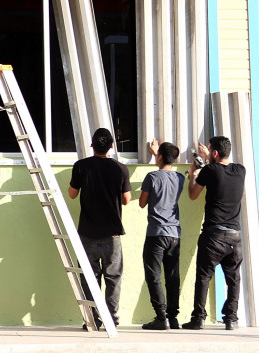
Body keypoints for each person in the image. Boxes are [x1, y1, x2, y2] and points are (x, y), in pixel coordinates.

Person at [68, 127, 132, 330]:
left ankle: (93, 319)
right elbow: (127, 199)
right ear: (111, 146)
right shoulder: (121, 169)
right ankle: (111, 319)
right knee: (113, 279)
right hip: (112, 235)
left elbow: (72, 194)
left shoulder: (81, 166)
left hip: (87, 233)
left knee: (90, 278)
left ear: (91, 145)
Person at [182, 136, 245, 331]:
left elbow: (193, 195)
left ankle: (198, 318)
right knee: (233, 279)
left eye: (210, 150)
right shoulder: (240, 170)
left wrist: (193, 175)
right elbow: (221, 171)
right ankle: (231, 319)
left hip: (213, 235)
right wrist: (209, 158)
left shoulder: (209, 171)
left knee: (203, 277)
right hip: (234, 236)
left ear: (215, 153)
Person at [139, 139, 185, 330]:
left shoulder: (151, 177)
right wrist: (158, 156)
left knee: (154, 276)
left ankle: (161, 316)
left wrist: (154, 157)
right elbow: (166, 175)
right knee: (173, 276)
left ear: (159, 156)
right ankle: (173, 317)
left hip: (156, 233)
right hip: (174, 234)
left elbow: (142, 203)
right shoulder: (180, 178)